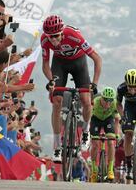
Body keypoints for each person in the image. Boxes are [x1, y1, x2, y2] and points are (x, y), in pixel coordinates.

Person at [41, 15, 102, 162]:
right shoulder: (44, 39)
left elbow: (97, 59)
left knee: (86, 100)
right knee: (57, 101)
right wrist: (51, 81)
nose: (53, 40)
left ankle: (86, 131)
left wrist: (94, 83)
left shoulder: (74, 36)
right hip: (59, 64)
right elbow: (45, 65)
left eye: (56, 36)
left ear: (62, 32)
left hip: (79, 63)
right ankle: (56, 146)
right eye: (50, 37)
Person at [89, 87, 121, 182]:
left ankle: (110, 169)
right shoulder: (95, 102)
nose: (108, 103)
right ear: (101, 98)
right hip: (95, 120)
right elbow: (88, 118)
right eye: (106, 100)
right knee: (95, 144)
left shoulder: (114, 104)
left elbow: (117, 120)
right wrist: (87, 132)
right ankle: (94, 170)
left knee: (111, 143)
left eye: (110, 101)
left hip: (108, 120)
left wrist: (117, 135)